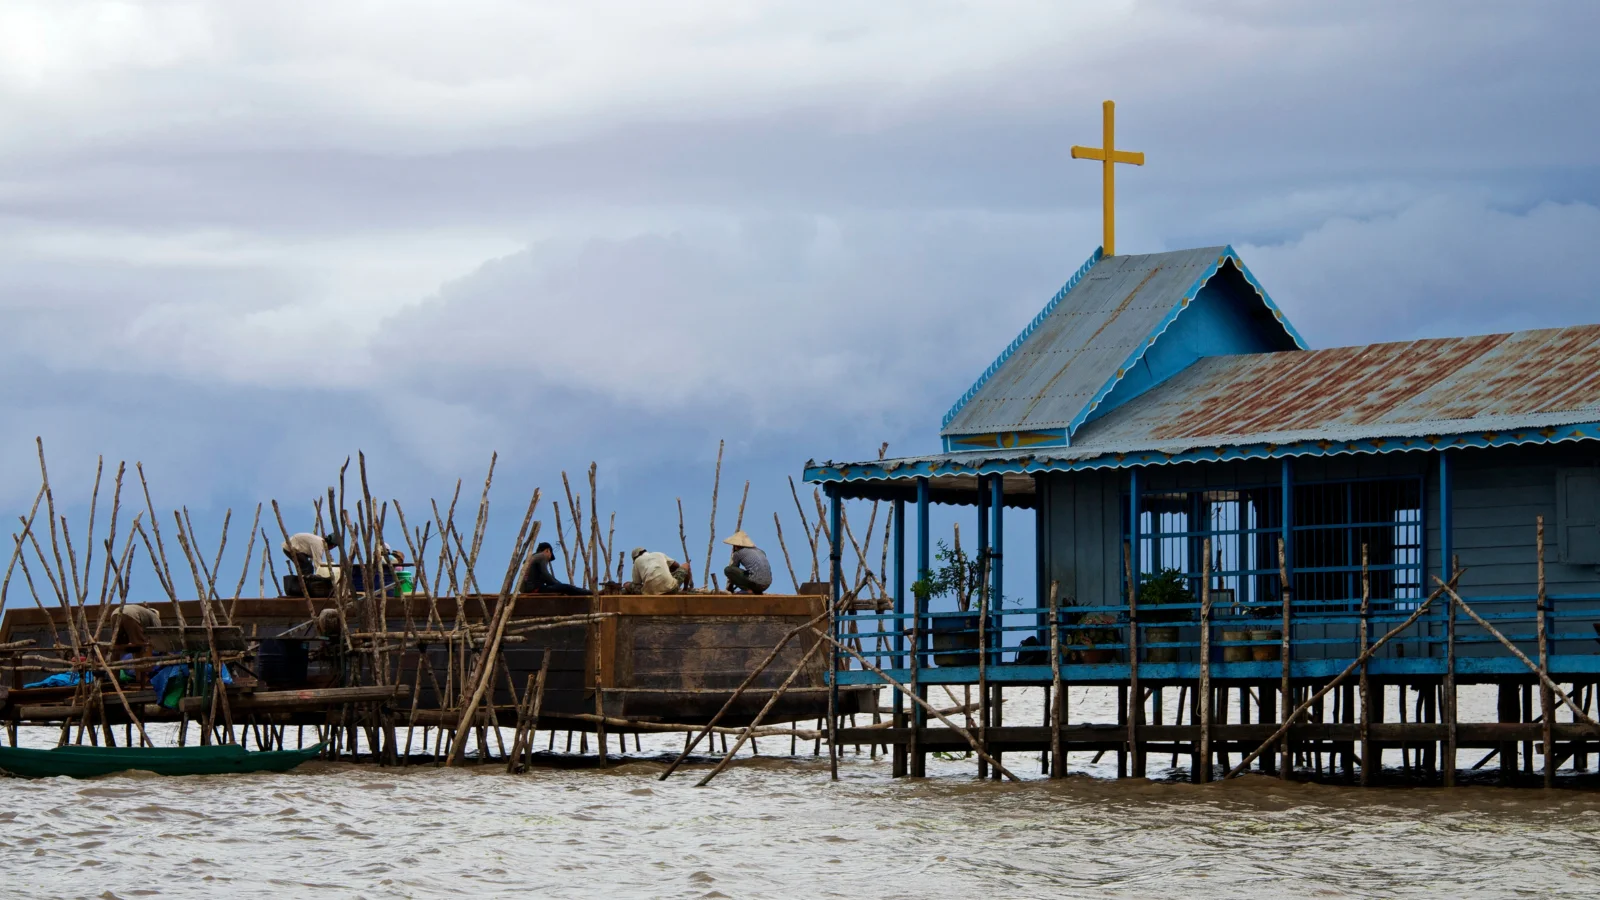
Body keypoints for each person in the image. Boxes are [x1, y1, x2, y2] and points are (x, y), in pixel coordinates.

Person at [521, 542, 588, 595]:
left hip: (525, 589)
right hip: (534, 589)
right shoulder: (542, 556)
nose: (549, 559)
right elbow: (546, 575)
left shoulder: (530, 558)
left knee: (560, 587)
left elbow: (543, 578)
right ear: (547, 550)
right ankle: (591, 593)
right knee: (567, 587)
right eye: (550, 555)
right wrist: (560, 585)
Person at [722, 530, 772, 595]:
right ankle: (756, 591)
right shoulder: (760, 551)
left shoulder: (738, 553)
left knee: (728, 570)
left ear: (736, 546)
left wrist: (730, 587)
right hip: (766, 585)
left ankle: (748, 590)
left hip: (755, 584)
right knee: (748, 572)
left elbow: (733, 570)